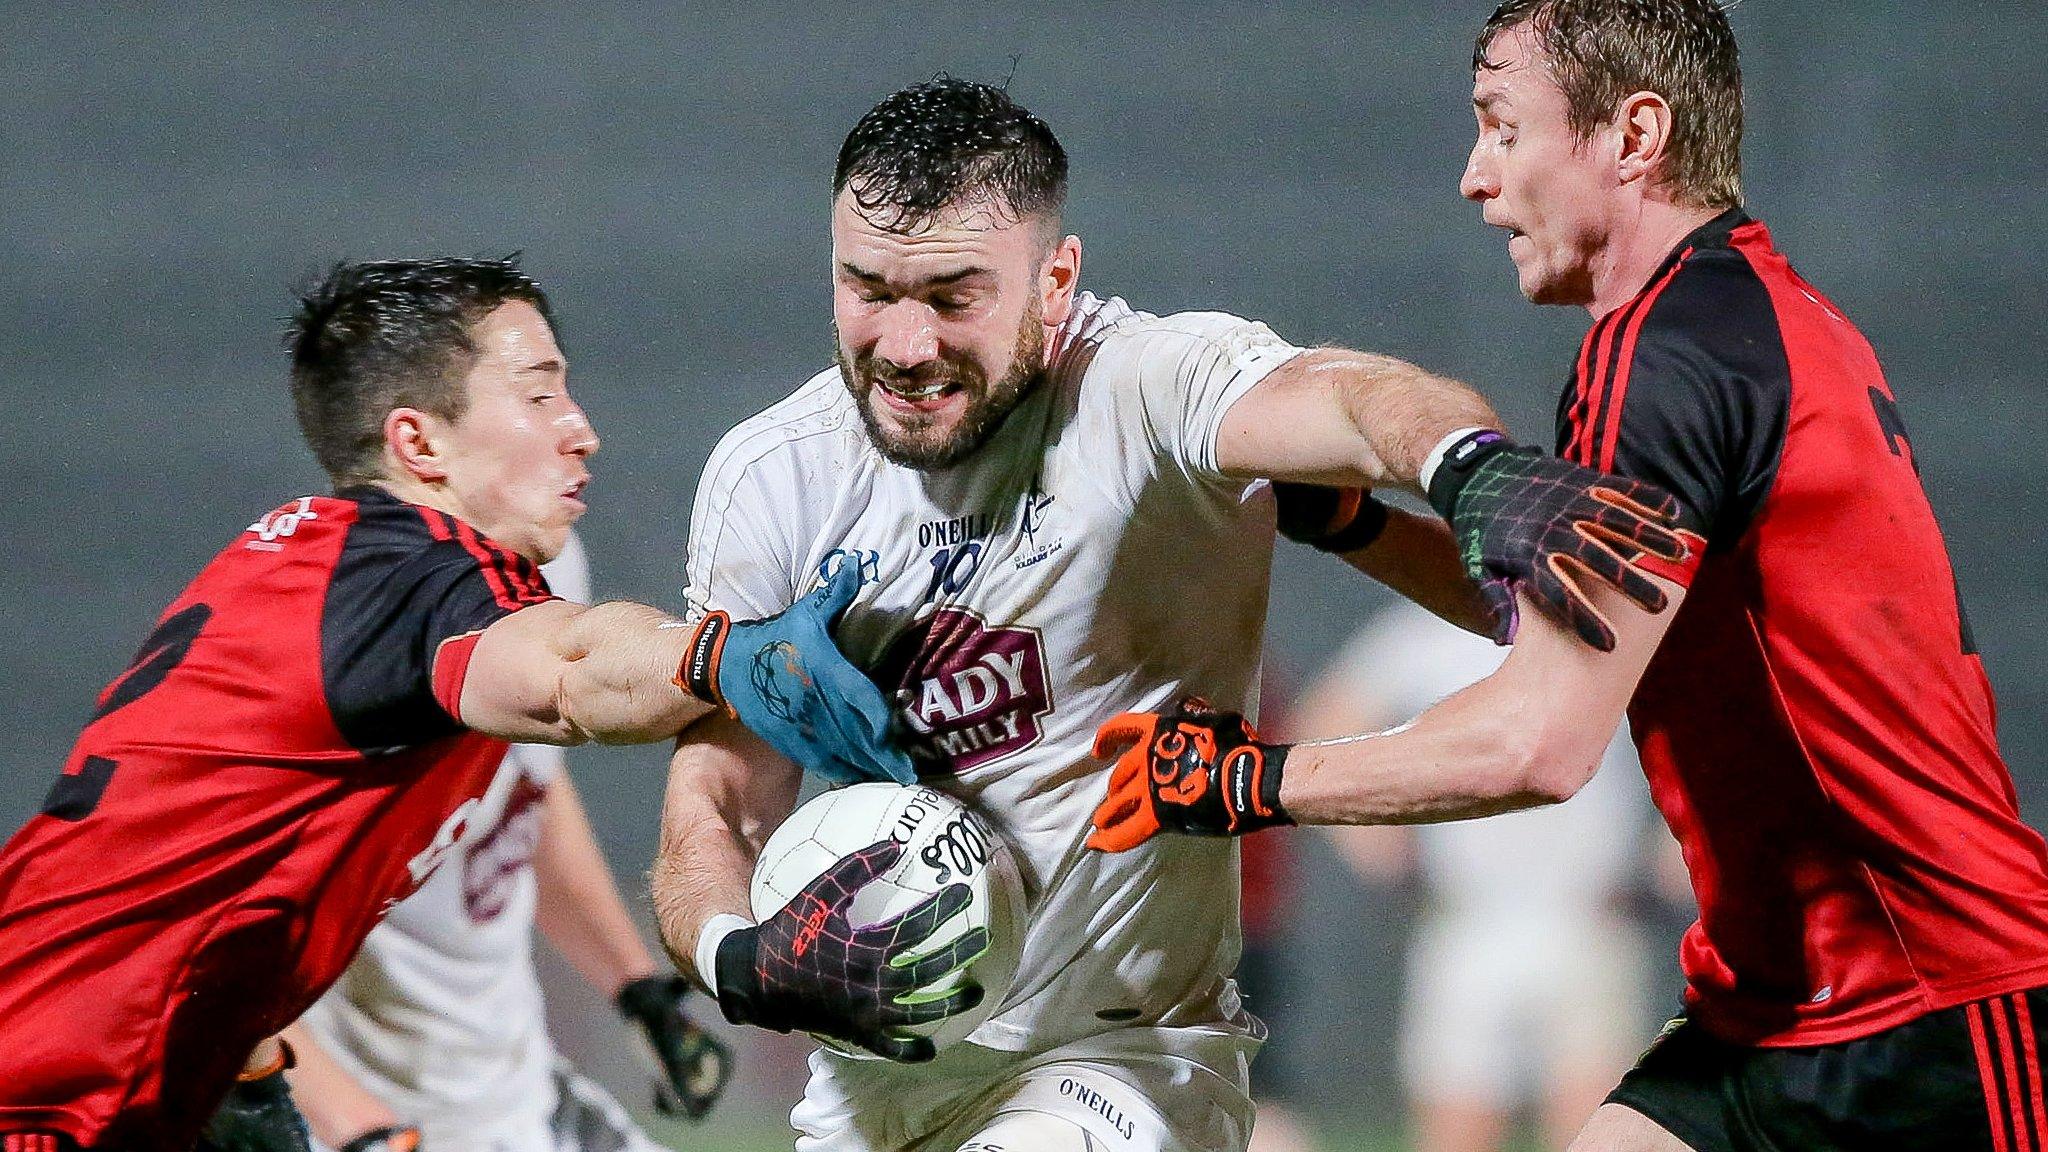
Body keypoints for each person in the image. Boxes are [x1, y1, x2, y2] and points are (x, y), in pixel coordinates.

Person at [650, 78, 1682, 1152]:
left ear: (1055, 282)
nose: (903, 344)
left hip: (1121, 1063)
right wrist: (739, 958)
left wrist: (1462, 466)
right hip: (873, 1084)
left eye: (953, 296)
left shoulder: (1149, 390)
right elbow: (714, 798)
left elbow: (1352, 393)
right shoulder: (772, 478)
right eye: (867, 289)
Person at [1087, 3, 2048, 1149]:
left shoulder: (1662, 357)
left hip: (1931, 1008)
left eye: (1500, 128)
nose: (1471, 178)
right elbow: (1593, 630)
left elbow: (1536, 743)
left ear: (1632, 136)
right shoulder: (1745, 318)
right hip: (1778, 1010)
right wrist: (1362, 530)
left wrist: (1247, 784)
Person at [0, 257, 913, 1152]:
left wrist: (248, 1072)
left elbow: (186, 877)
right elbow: (569, 676)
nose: (583, 431)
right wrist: (731, 656)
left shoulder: (324, 575)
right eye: (539, 394)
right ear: (418, 443)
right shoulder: (407, 578)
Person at [284, 533, 732, 1152]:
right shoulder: (353, 642)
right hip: (386, 1116)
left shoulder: (546, 552)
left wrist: (634, 985)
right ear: (420, 441)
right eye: (550, 424)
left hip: (518, 1094)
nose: (580, 436)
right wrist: (359, 1131)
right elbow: (211, 968)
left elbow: (526, 786)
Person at [1293, 600, 1662, 1152]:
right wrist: (1377, 836)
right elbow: (1327, 717)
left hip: (1589, 917)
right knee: (1459, 1128)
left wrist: (1678, 846)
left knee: (1595, 1129)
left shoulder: (1604, 613)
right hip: (1469, 920)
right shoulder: (1437, 623)